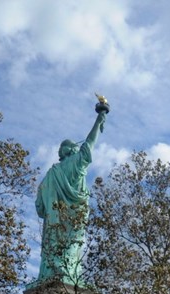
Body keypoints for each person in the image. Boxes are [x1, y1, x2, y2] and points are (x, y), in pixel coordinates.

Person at [35, 96, 109, 284]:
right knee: (72, 245)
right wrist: (99, 120)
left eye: (62, 147)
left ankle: (61, 274)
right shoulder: (58, 171)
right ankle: (66, 274)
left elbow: (39, 206)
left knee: (61, 246)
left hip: (57, 221)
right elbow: (89, 144)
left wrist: (98, 120)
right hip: (74, 217)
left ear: (69, 149)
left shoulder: (62, 169)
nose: (59, 150)